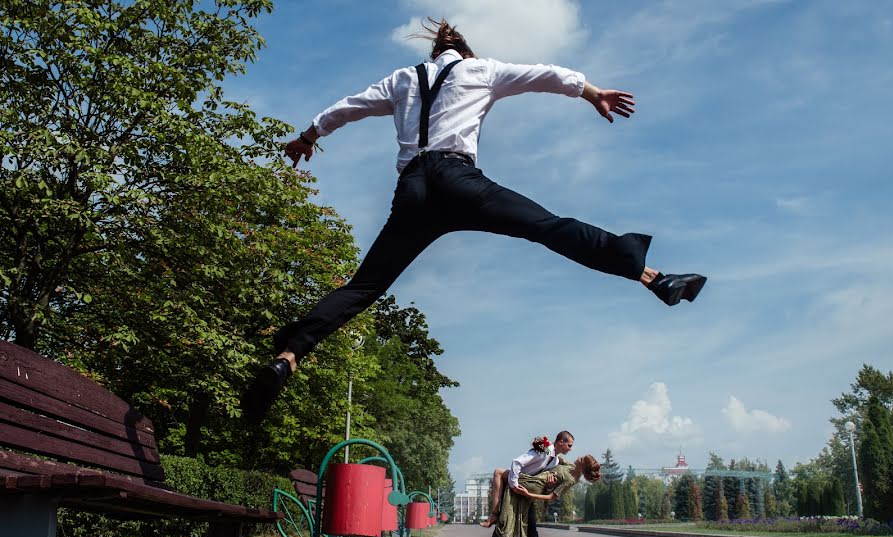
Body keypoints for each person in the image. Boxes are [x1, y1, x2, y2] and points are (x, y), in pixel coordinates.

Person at [241, 19, 707, 424]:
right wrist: (591, 92)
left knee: (365, 285)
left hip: (413, 189)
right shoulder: (480, 69)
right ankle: (651, 277)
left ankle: (289, 356)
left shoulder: (403, 79)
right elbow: (544, 74)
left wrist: (308, 136)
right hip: (458, 180)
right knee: (546, 226)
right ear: (465, 51)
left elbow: (349, 105)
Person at [484, 431, 574, 537]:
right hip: (515, 487)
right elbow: (517, 462)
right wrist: (514, 485)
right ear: (560, 442)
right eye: (569, 445)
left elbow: (538, 478)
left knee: (531, 526)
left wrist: (549, 485)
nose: (570, 449)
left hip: (525, 492)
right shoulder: (543, 450)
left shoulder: (555, 461)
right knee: (504, 521)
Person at [496, 455, 601, 537]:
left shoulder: (571, 480)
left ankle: (494, 516)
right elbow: (555, 454)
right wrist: (542, 445)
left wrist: (528, 494)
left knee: (499, 473)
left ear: (583, 467)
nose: (578, 457)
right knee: (523, 523)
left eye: (581, 459)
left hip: (534, 487)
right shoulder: (569, 465)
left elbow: (552, 496)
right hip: (533, 480)